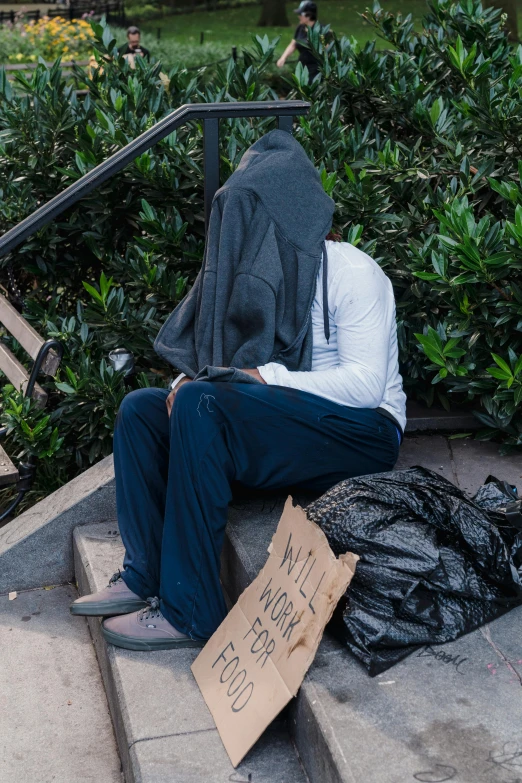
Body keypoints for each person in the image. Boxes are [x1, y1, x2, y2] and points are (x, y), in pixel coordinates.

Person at [69, 130, 406, 652]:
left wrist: (260, 378)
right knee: (142, 410)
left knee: (207, 405)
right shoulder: (259, 280)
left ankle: (192, 610)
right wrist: (187, 380)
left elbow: (365, 387)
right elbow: (223, 362)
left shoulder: (352, 274)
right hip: (289, 422)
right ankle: (145, 575)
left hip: (363, 433)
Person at [277, 1, 320, 83]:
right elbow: (293, 44)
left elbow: (327, 49)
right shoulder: (301, 27)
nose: (299, 17)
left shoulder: (320, 30)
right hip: (302, 67)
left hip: (316, 69)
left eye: (301, 14)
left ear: (309, 16)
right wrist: (283, 58)